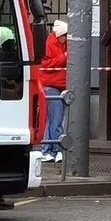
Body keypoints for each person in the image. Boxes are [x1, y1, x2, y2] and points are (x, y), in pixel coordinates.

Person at [37, 18, 69, 163]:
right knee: (56, 119)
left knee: (51, 120)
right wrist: (63, 58)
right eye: (65, 36)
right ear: (60, 35)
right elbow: (47, 64)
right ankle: (57, 149)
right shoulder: (50, 44)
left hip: (55, 85)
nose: (67, 38)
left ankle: (47, 150)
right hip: (52, 85)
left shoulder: (56, 43)